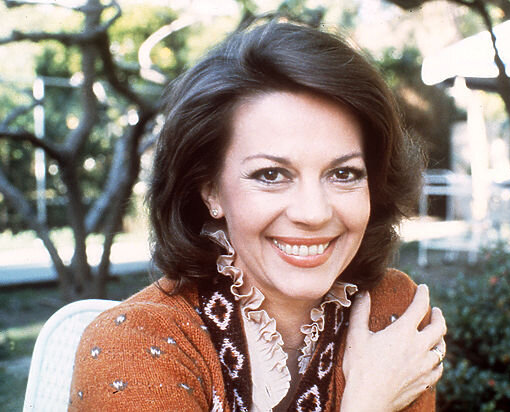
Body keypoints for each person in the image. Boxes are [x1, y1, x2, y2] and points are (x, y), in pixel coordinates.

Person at [69, 20, 446, 411]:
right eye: (271, 175)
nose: (314, 213)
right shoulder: (130, 344)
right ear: (210, 190)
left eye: (343, 173)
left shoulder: (389, 309)